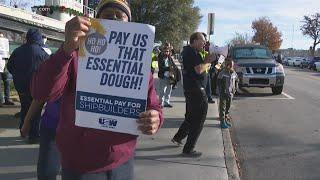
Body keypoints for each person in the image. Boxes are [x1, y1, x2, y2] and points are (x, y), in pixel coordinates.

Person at [30, 0, 163, 179]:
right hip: (81, 166)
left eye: (121, 16)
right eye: (108, 15)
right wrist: (67, 48)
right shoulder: (75, 56)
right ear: (96, 21)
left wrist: (155, 118)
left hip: (123, 162)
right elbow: (42, 92)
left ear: (129, 24)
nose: (115, 19)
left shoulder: (139, 67)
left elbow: (153, 104)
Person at [171, 32, 214, 157]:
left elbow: (199, 67)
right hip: (196, 90)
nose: (204, 42)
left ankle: (178, 137)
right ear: (194, 41)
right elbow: (198, 69)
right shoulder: (190, 52)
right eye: (202, 40)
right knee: (199, 119)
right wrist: (208, 62)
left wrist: (208, 60)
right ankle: (189, 148)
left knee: (190, 117)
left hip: (192, 89)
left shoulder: (191, 52)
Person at [7, 28, 49, 142]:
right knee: (35, 111)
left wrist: (17, 75)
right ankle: (34, 135)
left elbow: (9, 66)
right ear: (38, 38)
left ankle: (23, 130)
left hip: (20, 86)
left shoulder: (17, 51)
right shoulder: (42, 53)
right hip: (36, 87)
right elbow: (50, 71)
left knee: (25, 107)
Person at [21, 98, 61, 180]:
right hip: (52, 126)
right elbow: (40, 95)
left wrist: (27, 121)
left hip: (83, 132)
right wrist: (27, 121)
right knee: (46, 173)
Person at [217, 58, 238, 129]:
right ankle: (222, 121)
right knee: (222, 107)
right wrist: (220, 91)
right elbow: (218, 82)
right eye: (228, 65)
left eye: (231, 65)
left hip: (230, 93)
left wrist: (235, 88)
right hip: (223, 93)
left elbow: (237, 80)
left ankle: (225, 118)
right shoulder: (222, 73)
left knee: (228, 107)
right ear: (225, 65)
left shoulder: (234, 73)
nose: (229, 66)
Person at [0, 32, 14, 106]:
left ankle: (7, 99)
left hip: (4, 66)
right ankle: (0, 101)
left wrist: (7, 56)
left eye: (2, 37)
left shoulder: (5, 45)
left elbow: (6, 57)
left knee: (7, 83)